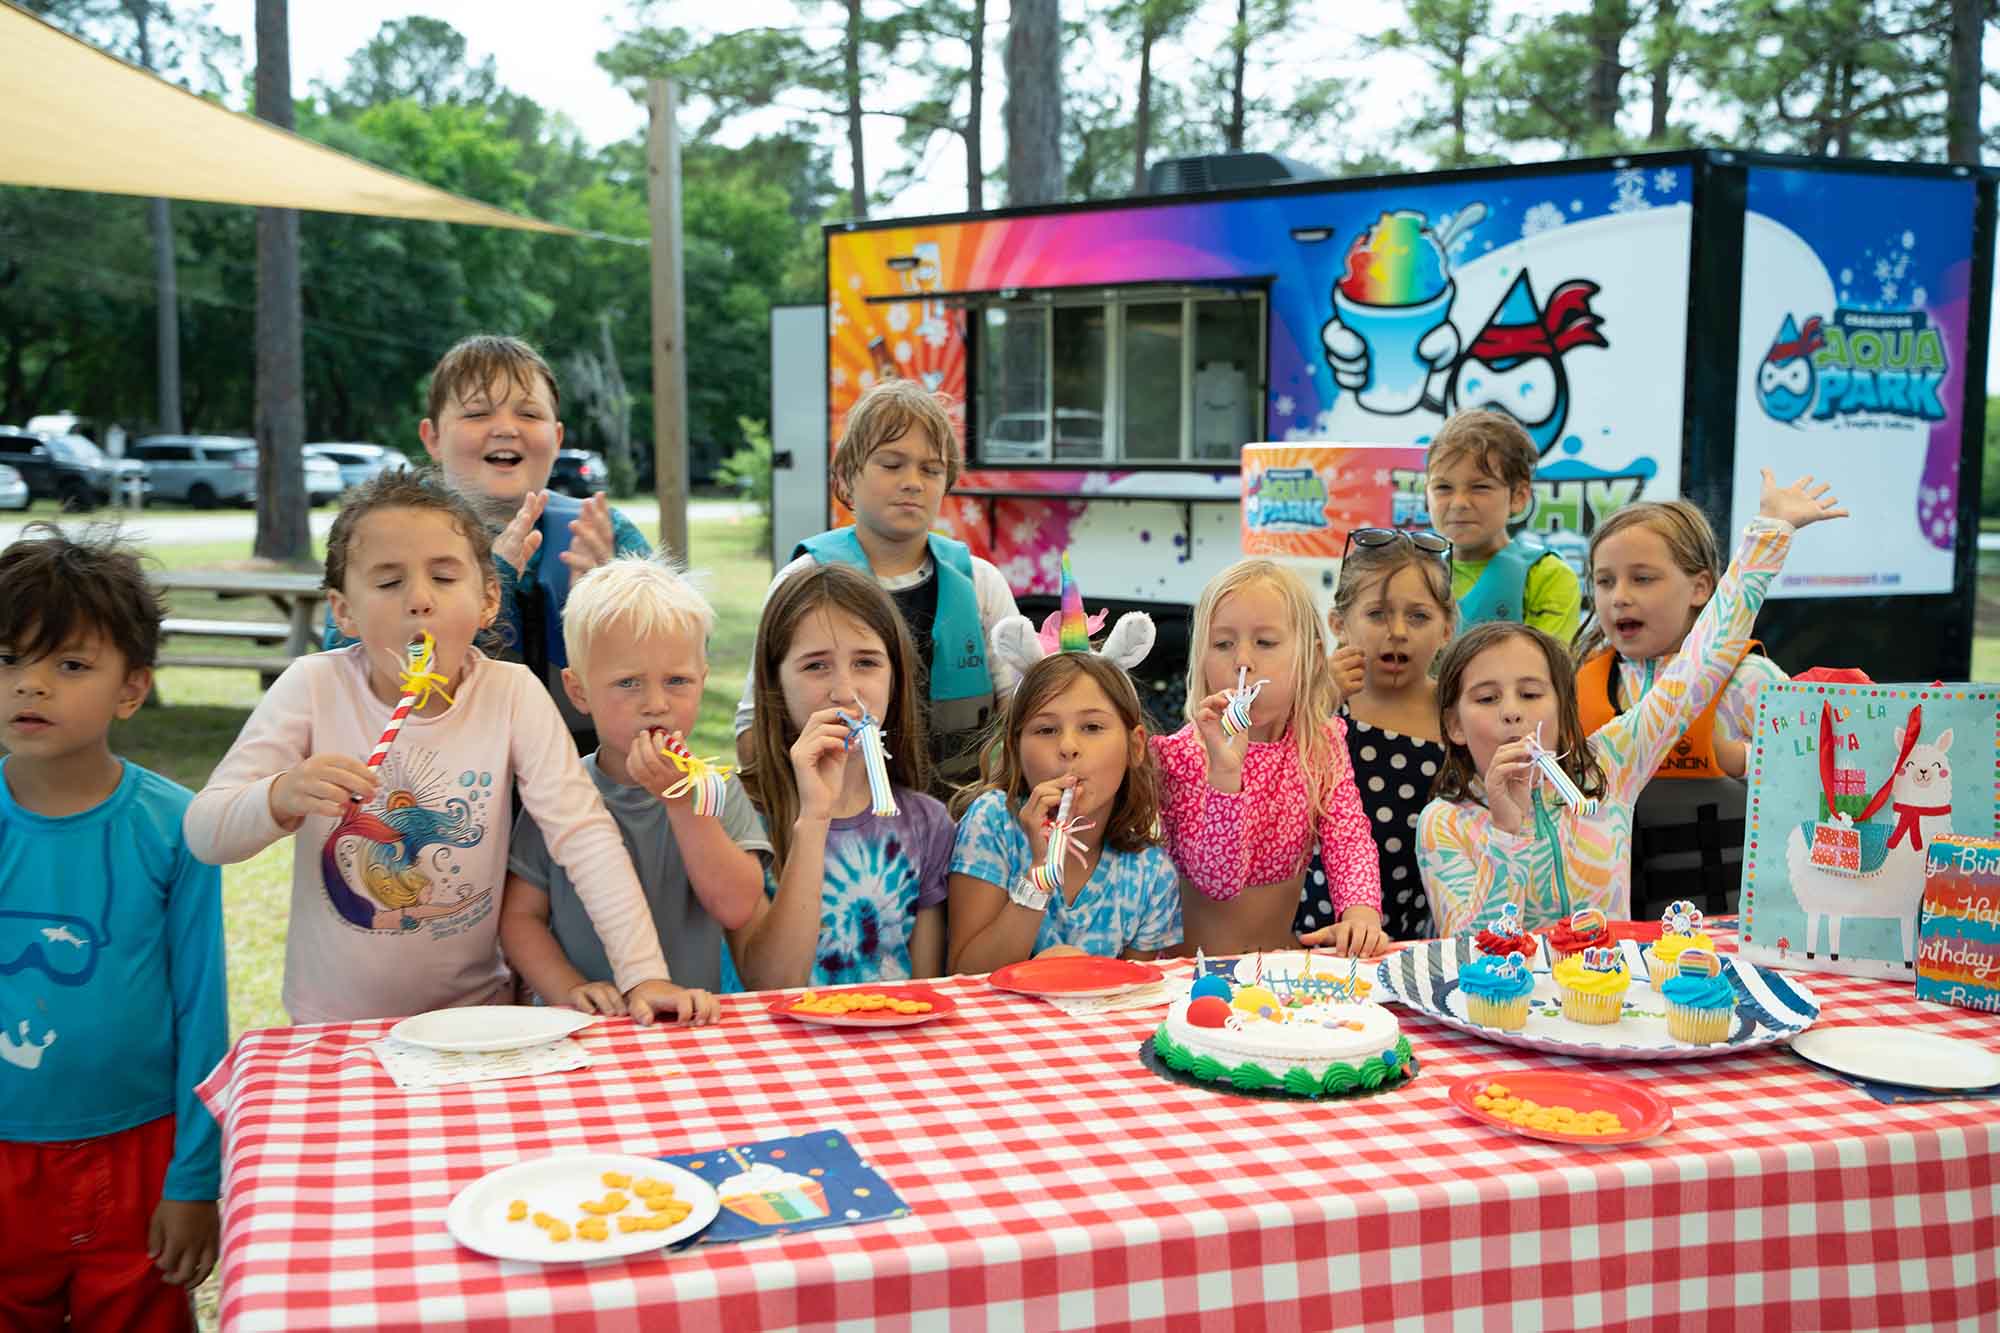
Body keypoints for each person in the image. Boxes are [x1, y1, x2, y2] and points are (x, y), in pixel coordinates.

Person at [187, 471, 705, 1025]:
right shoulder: (313, 689)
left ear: (487, 600)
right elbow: (206, 832)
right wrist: (278, 796)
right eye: (388, 583)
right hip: (337, 1024)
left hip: (478, 1016)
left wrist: (643, 973)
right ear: (344, 611)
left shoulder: (512, 695)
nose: (419, 601)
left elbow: (585, 839)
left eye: (443, 576)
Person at [1416, 470, 1847, 934]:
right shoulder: (1444, 824)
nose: (1512, 710)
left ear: (1564, 707)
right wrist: (1505, 832)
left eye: (1531, 692)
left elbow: (1702, 664)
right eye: (1486, 697)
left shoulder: (1612, 765)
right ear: (1454, 724)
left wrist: (1769, 535)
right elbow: (1468, 954)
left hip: (1613, 993)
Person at [0, 526, 226, 1328]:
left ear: (131, 689)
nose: (31, 685)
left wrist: (194, 1180)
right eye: (7, 660)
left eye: (69, 664)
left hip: (138, 1152)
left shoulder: (180, 827)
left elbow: (204, 1015)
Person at [325, 334, 650, 753]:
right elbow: (348, 670)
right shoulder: (381, 536)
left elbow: (675, 666)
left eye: (529, 414)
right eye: (477, 413)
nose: (505, 429)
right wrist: (489, 589)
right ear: (433, 438)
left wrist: (612, 602)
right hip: (430, 782)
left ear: (556, 435)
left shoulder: (603, 532)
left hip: (579, 784)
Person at [501, 558, 764, 1014]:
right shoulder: (560, 790)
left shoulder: (718, 789)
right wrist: (566, 987)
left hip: (686, 1022)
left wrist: (684, 804)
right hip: (583, 1027)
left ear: (702, 682)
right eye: (628, 683)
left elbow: (738, 908)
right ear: (578, 690)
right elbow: (521, 917)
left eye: (677, 681)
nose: (656, 704)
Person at [733, 378, 1019, 789]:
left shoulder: (982, 585)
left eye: (931, 469)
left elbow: (1021, 717)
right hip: (836, 830)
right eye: (891, 464)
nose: (912, 482)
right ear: (848, 476)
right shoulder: (804, 582)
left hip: (960, 827)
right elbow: (750, 737)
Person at [730, 563, 956, 988]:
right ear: (774, 685)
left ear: (896, 677)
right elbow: (770, 985)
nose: (844, 691)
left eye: (867, 662)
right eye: (816, 666)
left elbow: (926, 990)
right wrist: (814, 820)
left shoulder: (927, 824)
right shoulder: (739, 816)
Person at [1152, 558, 1384, 957]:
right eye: (1223, 644)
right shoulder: (1183, 754)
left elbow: (1347, 835)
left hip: (1278, 965)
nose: (1242, 661)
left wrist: (1361, 911)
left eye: (1265, 642)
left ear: (1310, 658)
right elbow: (1217, 882)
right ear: (1202, 660)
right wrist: (1226, 775)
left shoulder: (1321, 745)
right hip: (1194, 974)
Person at [947, 572, 1180, 969]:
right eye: (1045, 729)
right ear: (1016, 749)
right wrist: (1039, 873)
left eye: (1092, 727)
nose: (1068, 746)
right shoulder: (993, 824)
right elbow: (965, 973)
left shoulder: (1148, 871)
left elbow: (1133, 997)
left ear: (1135, 746)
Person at [1299, 527, 1457, 942]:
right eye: (1377, 614)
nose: (1398, 630)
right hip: (1320, 919)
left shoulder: (1457, 711)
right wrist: (1316, 700)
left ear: (1446, 629)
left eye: (1419, 616)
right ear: (1339, 624)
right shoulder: (1318, 704)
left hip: (1419, 922)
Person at [1573, 499, 1787, 780]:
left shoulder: (1751, 679)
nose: (1619, 598)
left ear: (1699, 588)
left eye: (1642, 579)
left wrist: (1735, 759)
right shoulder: (1575, 681)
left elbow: (1811, 774)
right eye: (1605, 582)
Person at [1424, 409, 1581, 640]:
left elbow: (1546, 672)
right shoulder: (1412, 571)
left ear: (1518, 496)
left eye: (1480, 487)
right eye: (1443, 488)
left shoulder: (1547, 576)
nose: (1458, 503)